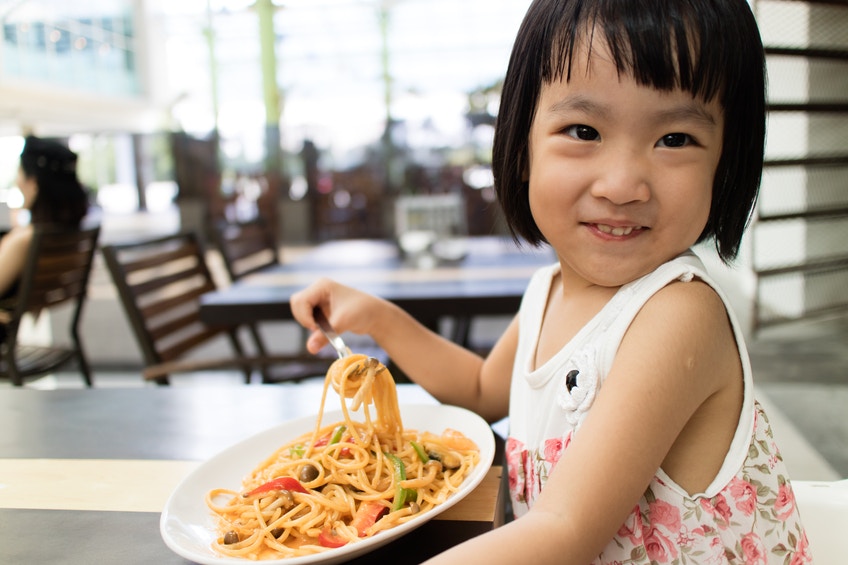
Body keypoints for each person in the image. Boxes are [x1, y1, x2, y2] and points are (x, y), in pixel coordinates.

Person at [290, 1, 811, 562]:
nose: (622, 183)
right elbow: (480, 391)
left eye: (676, 139)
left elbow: (563, 531)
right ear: (521, 148)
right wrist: (377, 318)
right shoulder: (549, 290)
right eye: (584, 130)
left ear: (725, 162)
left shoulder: (680, 315)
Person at [0, 136, 90, 316]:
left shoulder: (24, 240)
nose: (17, 182)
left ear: (33, 184)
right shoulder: (69, 234)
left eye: (19, 174)